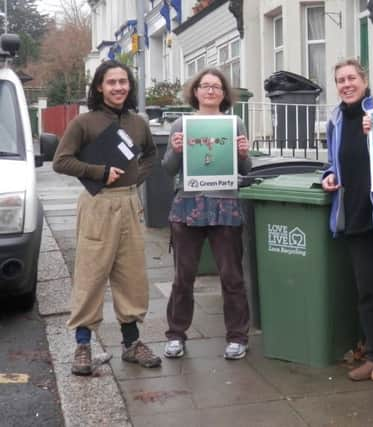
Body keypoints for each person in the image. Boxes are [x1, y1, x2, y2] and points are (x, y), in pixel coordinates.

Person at [53, 60, 161, 376]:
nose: (118, 87)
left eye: (123, 82)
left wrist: (134, 179)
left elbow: (151, 156)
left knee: (131, 275)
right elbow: (61, 161)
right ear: (99, 86)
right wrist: (98, 172)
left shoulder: (138, 123)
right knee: (91, 273)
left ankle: (132, 344)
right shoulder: (84, 123)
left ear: (130, 86)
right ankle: (84, 345)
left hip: (129, 204)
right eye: (111, 82)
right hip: (97, 204)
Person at [321, 59, 373, 388]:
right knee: (366, 292)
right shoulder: (336, 119)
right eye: (340, 80)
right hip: (353, 215)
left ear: (364, 80)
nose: (346, 84)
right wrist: (328, 176)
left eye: (352, 78)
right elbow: (332, 161)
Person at [162, 68, 252, 360]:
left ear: (224, 94)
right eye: (205, 86)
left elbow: (246, 170)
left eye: (216, 87)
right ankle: (176, 335)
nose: (211, 91)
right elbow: (168, 168)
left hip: (225, 205)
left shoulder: (234, 123)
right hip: (188, 206)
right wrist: (175, 151)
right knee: (183, 276)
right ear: (196, 92)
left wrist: (242, 153)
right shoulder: (181, 124)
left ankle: (237, 337)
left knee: (232, 276)